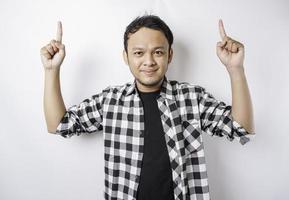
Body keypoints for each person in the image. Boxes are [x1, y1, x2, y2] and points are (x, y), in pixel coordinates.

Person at [40, 14, 255, 200]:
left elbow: (241, 127)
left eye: (158, 52)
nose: (149, 61)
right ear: (126, 57)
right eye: (138, 53)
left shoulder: (192, 97)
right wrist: (51, 70)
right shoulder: (110, 101)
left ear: (170, 55)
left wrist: (236, 69)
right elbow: (59, 124)